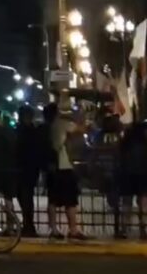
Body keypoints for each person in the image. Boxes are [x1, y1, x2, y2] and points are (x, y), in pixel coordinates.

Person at [44, 103, 88, 240]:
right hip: (64, 165)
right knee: (70, 200)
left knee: (52, 200)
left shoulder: (45, 127)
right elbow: (81, 128)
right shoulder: (61, 124)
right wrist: (80, 114)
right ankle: (73, 229)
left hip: (51, 167)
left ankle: (53, 229)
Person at [117, 119, 147, 240]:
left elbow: (120, 156)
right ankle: (142, 228)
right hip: (143, 174)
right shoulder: (146, 143)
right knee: (143, 201)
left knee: (127, 201)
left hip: (127, 174)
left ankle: (124, 228)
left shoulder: (127, 142)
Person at [15, 105, 42, 237]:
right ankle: (28, 225)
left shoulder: (20, 131)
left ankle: (28, 225)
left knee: (24, 198)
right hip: (31, 169)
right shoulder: (35, 132)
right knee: (27, 198)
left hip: (21, 168)